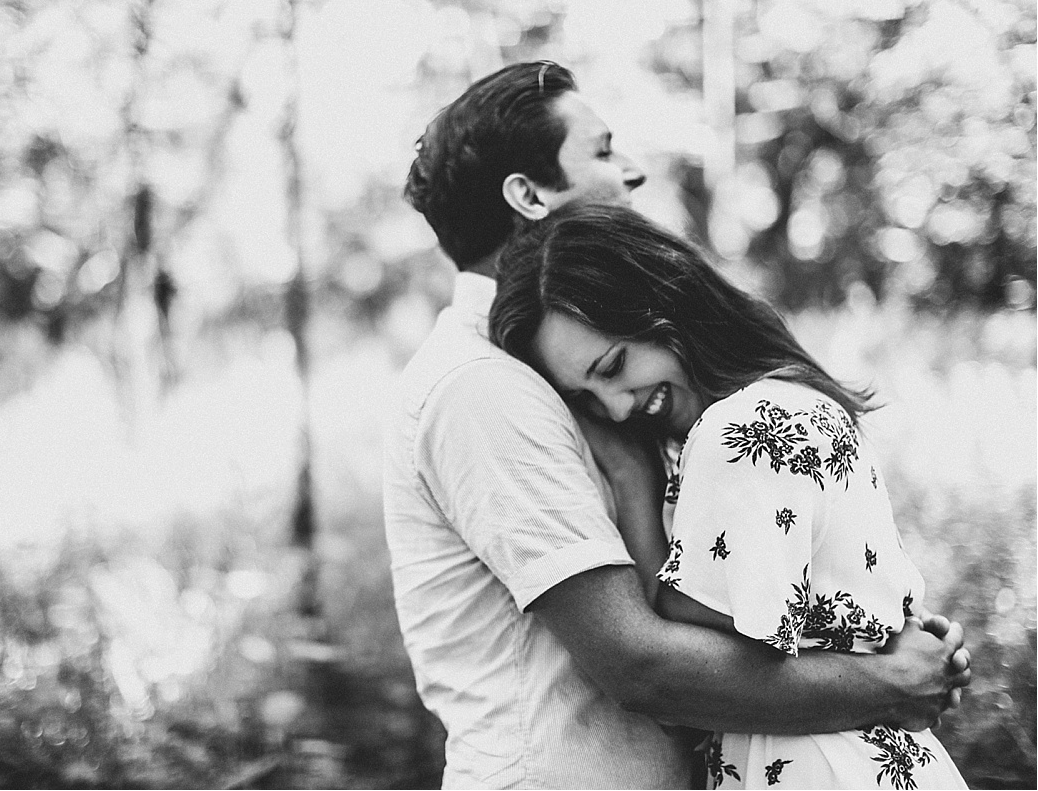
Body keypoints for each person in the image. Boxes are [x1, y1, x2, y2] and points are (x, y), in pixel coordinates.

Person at [384, 60, 969, 789]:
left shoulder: (602, 372)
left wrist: (883, 624)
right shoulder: (486, 387)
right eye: (600, 151)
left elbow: (770, 586)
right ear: (528, 195)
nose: (630, 175)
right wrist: (887, 678)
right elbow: (642, 662)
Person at [488, 201, 969, 790]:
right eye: (586, 398)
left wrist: (632, 483)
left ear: (663, 302)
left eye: (613, 366)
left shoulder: (740, 429)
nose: (614, 410)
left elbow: (680, 660)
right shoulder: (791, 399)